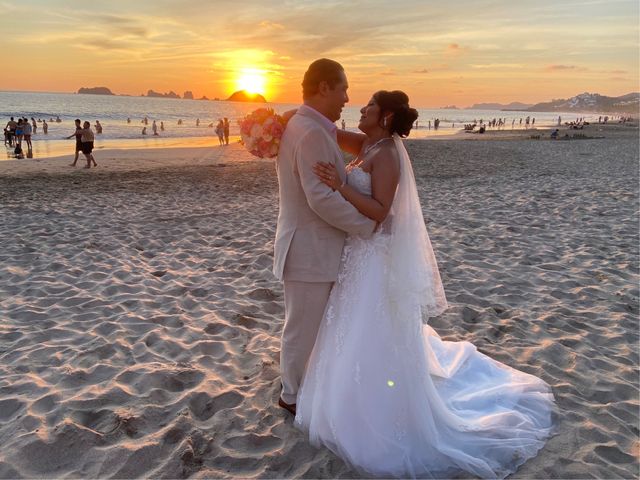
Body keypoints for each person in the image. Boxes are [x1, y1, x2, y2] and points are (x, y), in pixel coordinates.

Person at [293, 89, 556, 478]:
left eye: (368, 106)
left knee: (371, 329)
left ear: (383, 116)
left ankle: (379, 409)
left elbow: (381, 213)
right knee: (346, 326)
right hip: (357, 256)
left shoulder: (387, 156)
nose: (360, 108)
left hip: (374, 257)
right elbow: (327, 132)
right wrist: (287, 117)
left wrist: (340, 186)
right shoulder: (368, 142)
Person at [273, 58, 377, 417]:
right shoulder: (312, 131)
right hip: (308, 249)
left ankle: (302, 387)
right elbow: (321, 199)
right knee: (301, 329)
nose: (347, 97)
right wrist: (367, 226)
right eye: (343, 88)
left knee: (309, 326)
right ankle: (291, 396)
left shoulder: (307, 124)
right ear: (324, 88)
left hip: (312, 248)